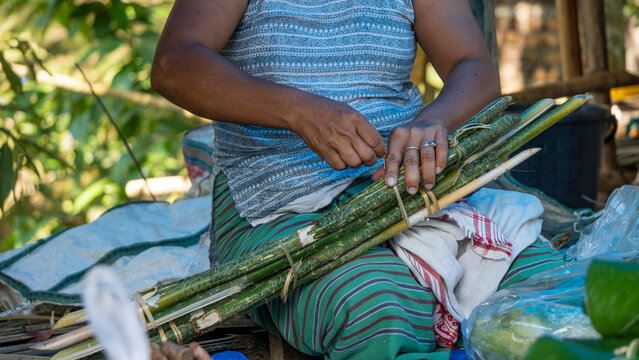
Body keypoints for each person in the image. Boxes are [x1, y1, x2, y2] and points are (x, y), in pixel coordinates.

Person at [151, 1, 567, 358]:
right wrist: (296, 110)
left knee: (545, 288)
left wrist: (433, 121)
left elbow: (473, 66)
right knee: (375, 306)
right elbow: (175, 65)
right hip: (271, 197)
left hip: (405, 186)